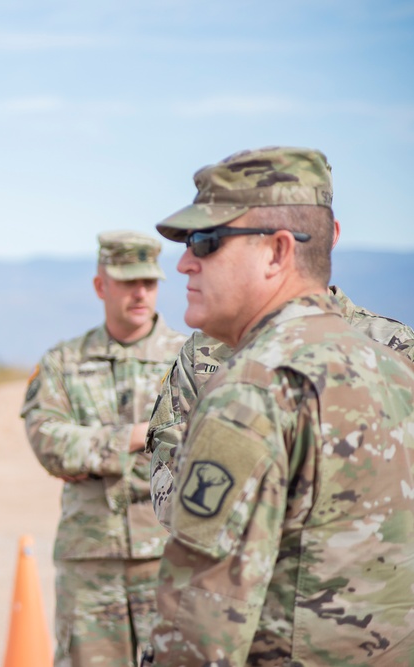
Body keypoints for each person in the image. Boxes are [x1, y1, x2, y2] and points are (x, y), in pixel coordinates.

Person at [141, 146, 414, 665]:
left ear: (277, 251)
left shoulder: (255, 389)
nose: (182, 263)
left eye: (206, 241)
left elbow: (198, 623)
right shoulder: (394, 369)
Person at [20, 231, 185, 667]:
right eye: (128, 282)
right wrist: (132, 437)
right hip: (91, 562)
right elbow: (48, 443)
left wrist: (90, 452)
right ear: (101, 286)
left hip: (171, 554)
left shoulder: (192, 359)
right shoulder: (64, 361)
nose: (140, 292)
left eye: (148, 282)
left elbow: (206, 444)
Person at [147, 264, 414, 531]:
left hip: (373, 564)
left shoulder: (393, 345)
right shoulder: (205, 352)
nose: (185, 262)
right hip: (247, 568)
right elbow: (175, 496)